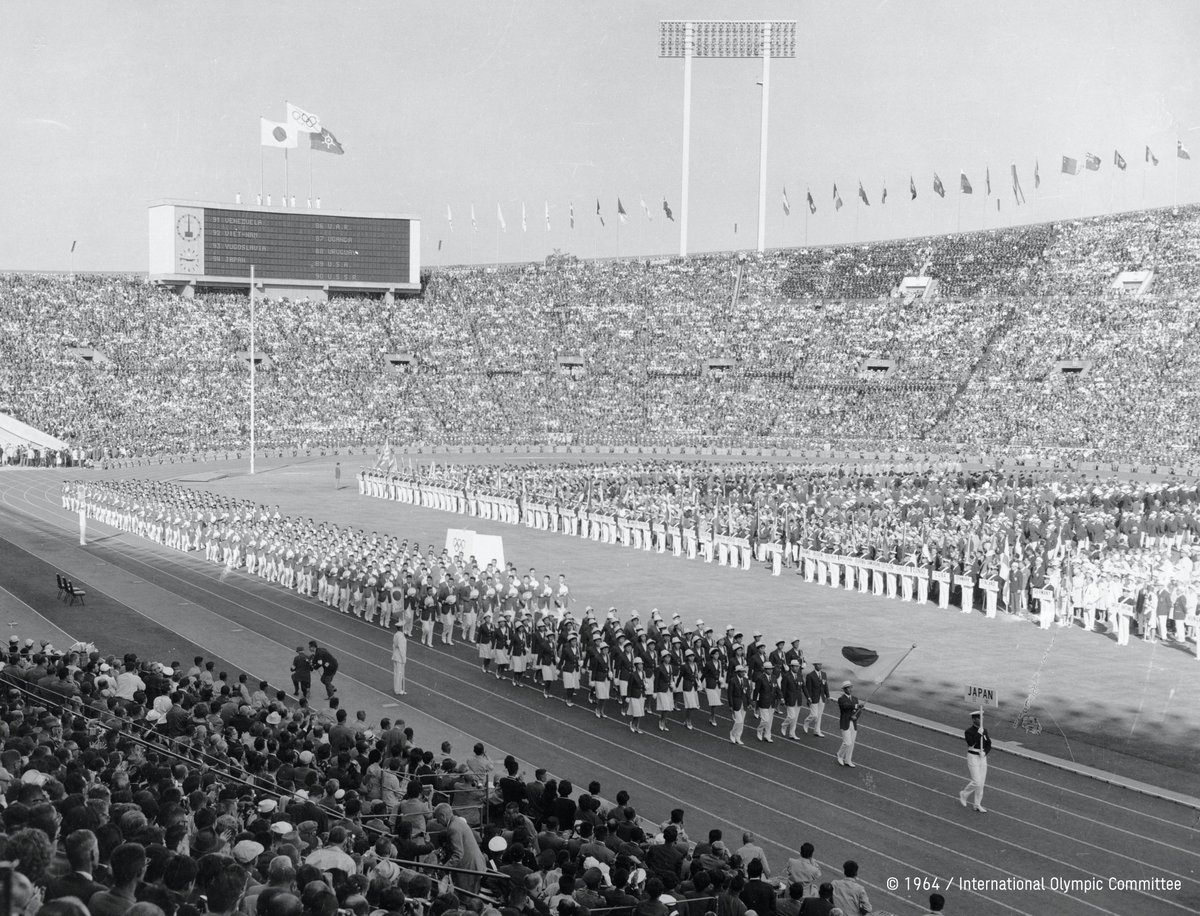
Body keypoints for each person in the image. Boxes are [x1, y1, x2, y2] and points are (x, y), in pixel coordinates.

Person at [434, 802, 487, 894]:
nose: (437, 822)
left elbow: (458, 854)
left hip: (469, 868)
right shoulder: (458, 821)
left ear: (442, 816)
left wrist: (444, 868)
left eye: (437, 818)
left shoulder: (453, 828)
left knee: (467, 898)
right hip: (474, 865)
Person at [958, 708, 992, 812]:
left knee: (981, 783)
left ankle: (977, 804)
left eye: (982, 717)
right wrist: (978, 734)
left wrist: (985, 752)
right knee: (976, 781)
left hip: (982, 757)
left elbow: (989, 744)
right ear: (974, 720)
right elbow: (971, 743)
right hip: (973, 756)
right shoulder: (969, 731)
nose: (981, 719)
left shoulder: (984, 730)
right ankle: (964, 794)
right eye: (979, 718)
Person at [835, 681, 864, 768]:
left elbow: (859, 711)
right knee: (847, 742)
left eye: (851, 687)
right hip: (845, 723)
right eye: (848, 688)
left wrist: (856, 717)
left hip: (853, 723)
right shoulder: (841, 699)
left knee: (852, 743)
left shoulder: (855, 699)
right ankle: (840, 755)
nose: (850, 689)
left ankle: (848, 760)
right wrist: (856, 706)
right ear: (844, 689)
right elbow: (845, 706)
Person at [803, 662, 828, 737]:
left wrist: (828, 695)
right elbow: (808, 688)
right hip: (813, 697)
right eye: (818, 665)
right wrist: (808, 698)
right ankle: (806, 722)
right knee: (814, 715)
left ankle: (817, 731)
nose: (820, 666)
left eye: (820, 664)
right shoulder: (810, 676)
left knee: (819, 715)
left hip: (821, 697)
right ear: (814, 666)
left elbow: (825, 685)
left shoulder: (824, 674)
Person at [391, 622, 408, 696]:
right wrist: (404, 658)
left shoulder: (396, 635)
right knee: (399, 674)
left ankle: (397, 688)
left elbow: (394, 646)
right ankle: (398, 690)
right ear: (401, 628)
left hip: (395, 655)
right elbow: (402, 648)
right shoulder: (400, 636)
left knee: (397, 673)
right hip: (399, 657)